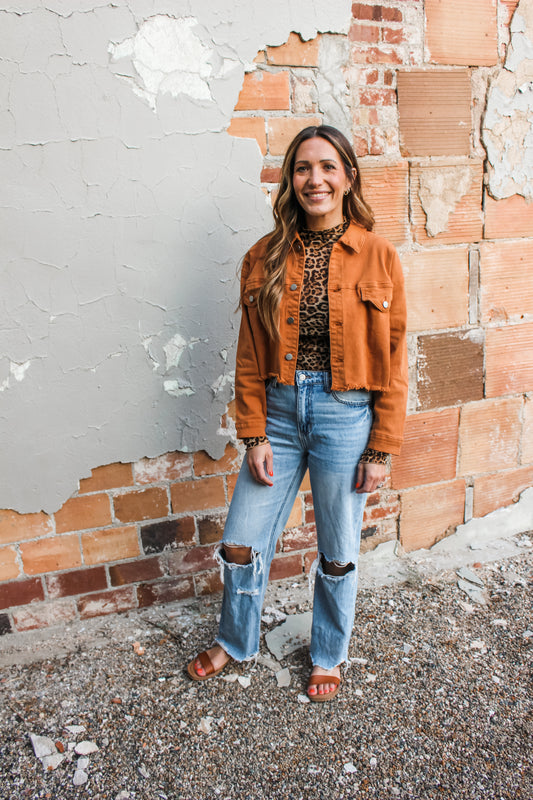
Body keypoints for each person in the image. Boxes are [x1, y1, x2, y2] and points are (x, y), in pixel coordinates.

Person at [187, 124, 408, 701]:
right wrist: (254, 434)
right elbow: (247, 353)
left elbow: (395, 355)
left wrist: (382, 446)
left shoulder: (378, 254)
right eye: (304, 168)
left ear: (347, 176)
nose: (316, 179)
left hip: (344, 416)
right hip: (280, 415)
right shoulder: (262, 257)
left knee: (337, 551)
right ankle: (237, 641)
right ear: (290, 179)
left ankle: (329, 653)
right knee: (240, 540)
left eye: (328, 167)